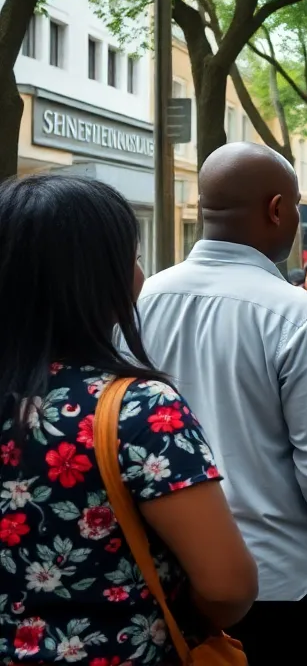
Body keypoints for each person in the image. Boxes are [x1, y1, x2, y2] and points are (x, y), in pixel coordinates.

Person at [0, 174, 257, 664]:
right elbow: (228, 586)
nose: (140, 273)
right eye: (133, 257)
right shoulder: (138, 411)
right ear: (98, 278)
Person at [135, 143, 307, 616]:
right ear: (278, 209)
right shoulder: (296, 314)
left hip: (163, 575)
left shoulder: (143, 301)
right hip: (277, 575)